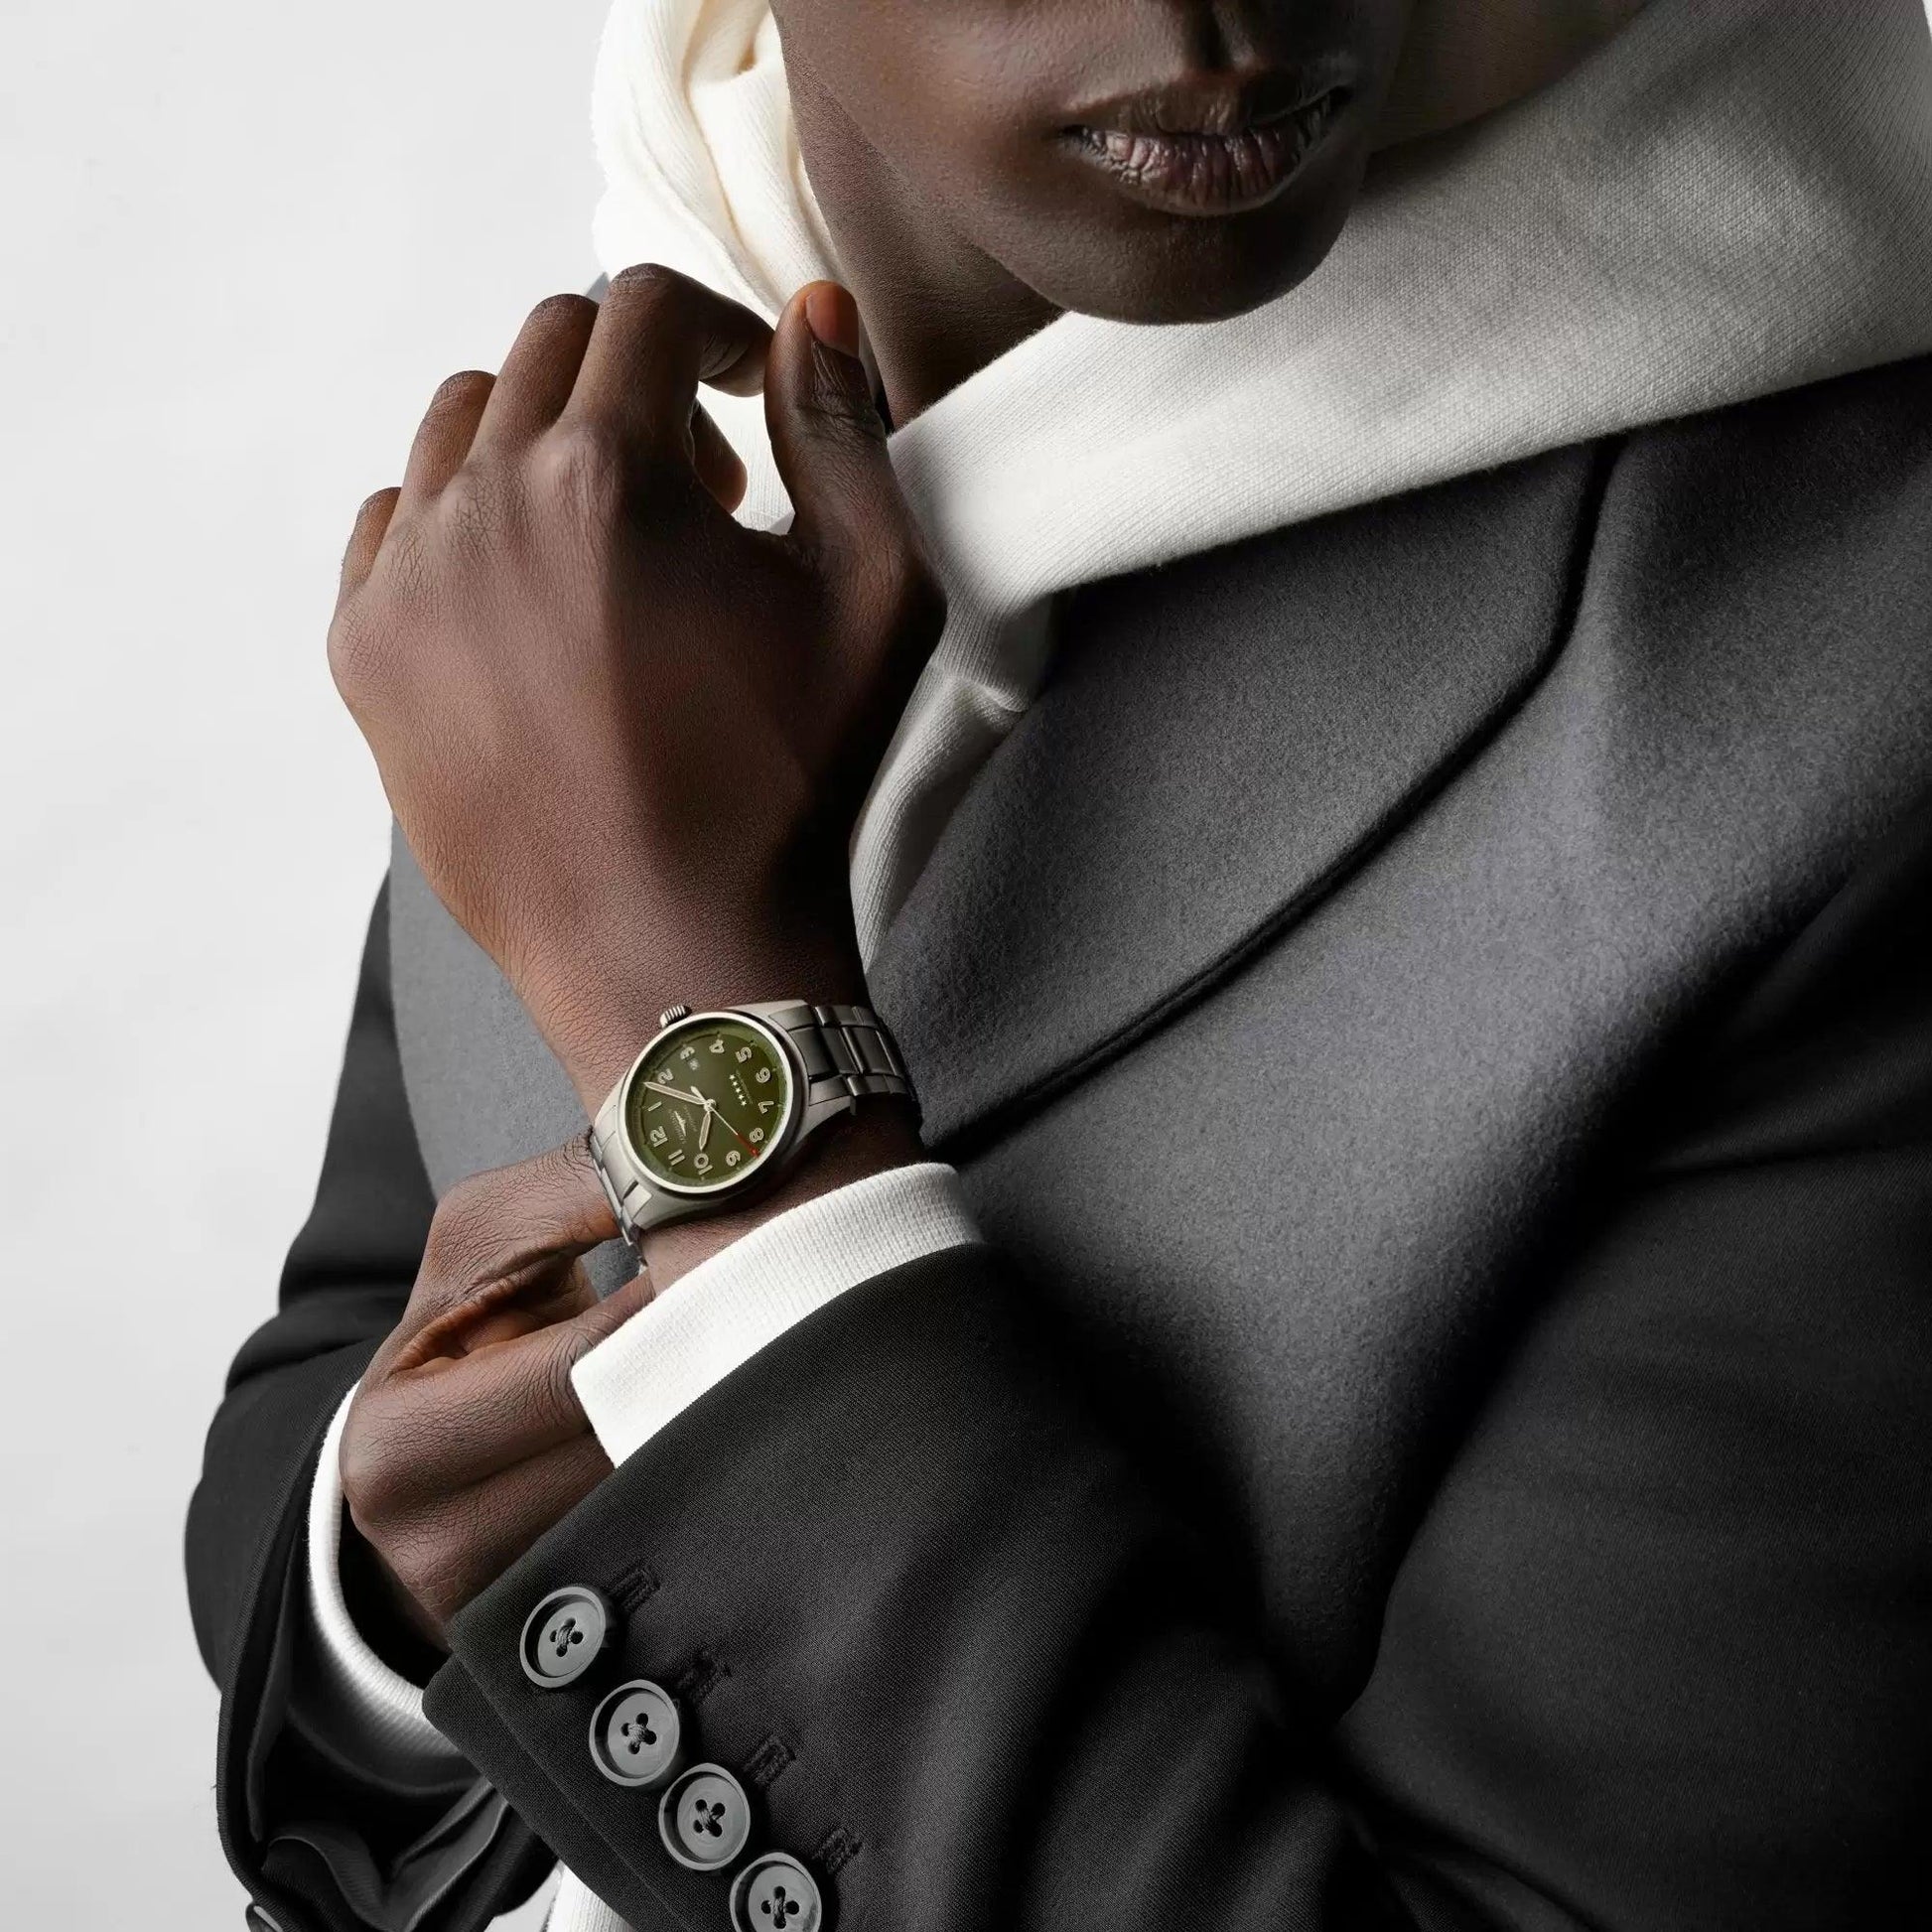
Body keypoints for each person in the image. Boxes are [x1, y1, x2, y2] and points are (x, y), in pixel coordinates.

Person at [187, 1, 1932, 1928]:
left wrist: (726, 1085)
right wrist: (384, 1595)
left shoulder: (1843, 678)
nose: (1213, 21)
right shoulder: (613, 470)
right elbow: (344, 1358)